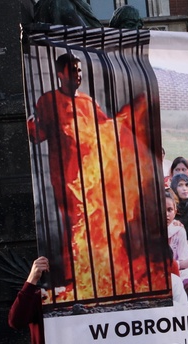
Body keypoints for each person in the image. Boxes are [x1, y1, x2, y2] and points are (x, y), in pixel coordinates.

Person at [27, 52, 152, 299]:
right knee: (74, 227)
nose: (78, 74)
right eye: (73, 70)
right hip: (66, 179)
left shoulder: (88, 101)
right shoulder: (48, 101)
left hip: (93, 179)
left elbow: (106, 132)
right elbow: (38, 135)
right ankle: (74, 280)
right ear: (60, 74)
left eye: (80, 70)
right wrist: (30, 125)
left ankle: (97, 274)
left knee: (99, 225)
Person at [166, 189, 188, 298]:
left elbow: (186, 262)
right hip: (156, 276)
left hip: (175, 273)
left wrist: (176, 265)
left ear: (175, 211)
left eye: (169, 210)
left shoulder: (178, 230)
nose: (166, 214)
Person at [170, 173, 188, 244]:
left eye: (187, 185)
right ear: (174, 187)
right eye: (180, 185)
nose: (184, 189)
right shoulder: (169, 206)